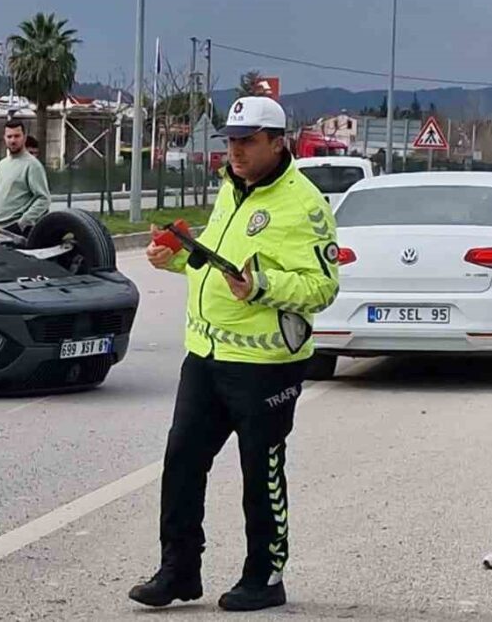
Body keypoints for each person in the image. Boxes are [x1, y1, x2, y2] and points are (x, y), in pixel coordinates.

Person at [130, 96, 339, 611]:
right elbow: (217, 267)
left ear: (276, 141)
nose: (236, 150)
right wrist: (177, 258)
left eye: (247, 141)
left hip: (265, 367)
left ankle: (264, 577)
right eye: (231, 140)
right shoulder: (229, 188)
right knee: (181, 462)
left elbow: (323, 286)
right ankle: (178, 570)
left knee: (259, 471)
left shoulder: (305, 204)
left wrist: (263, 286)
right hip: (205, 355)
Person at [0, 120, 50, 235]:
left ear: (24, 138)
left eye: (17, 136)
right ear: (4, 138)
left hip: (15, 230)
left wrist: (23, 223)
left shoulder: (32, 165)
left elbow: (43, 199)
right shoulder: (1, 164)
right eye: (9, 136)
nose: (13, 140)